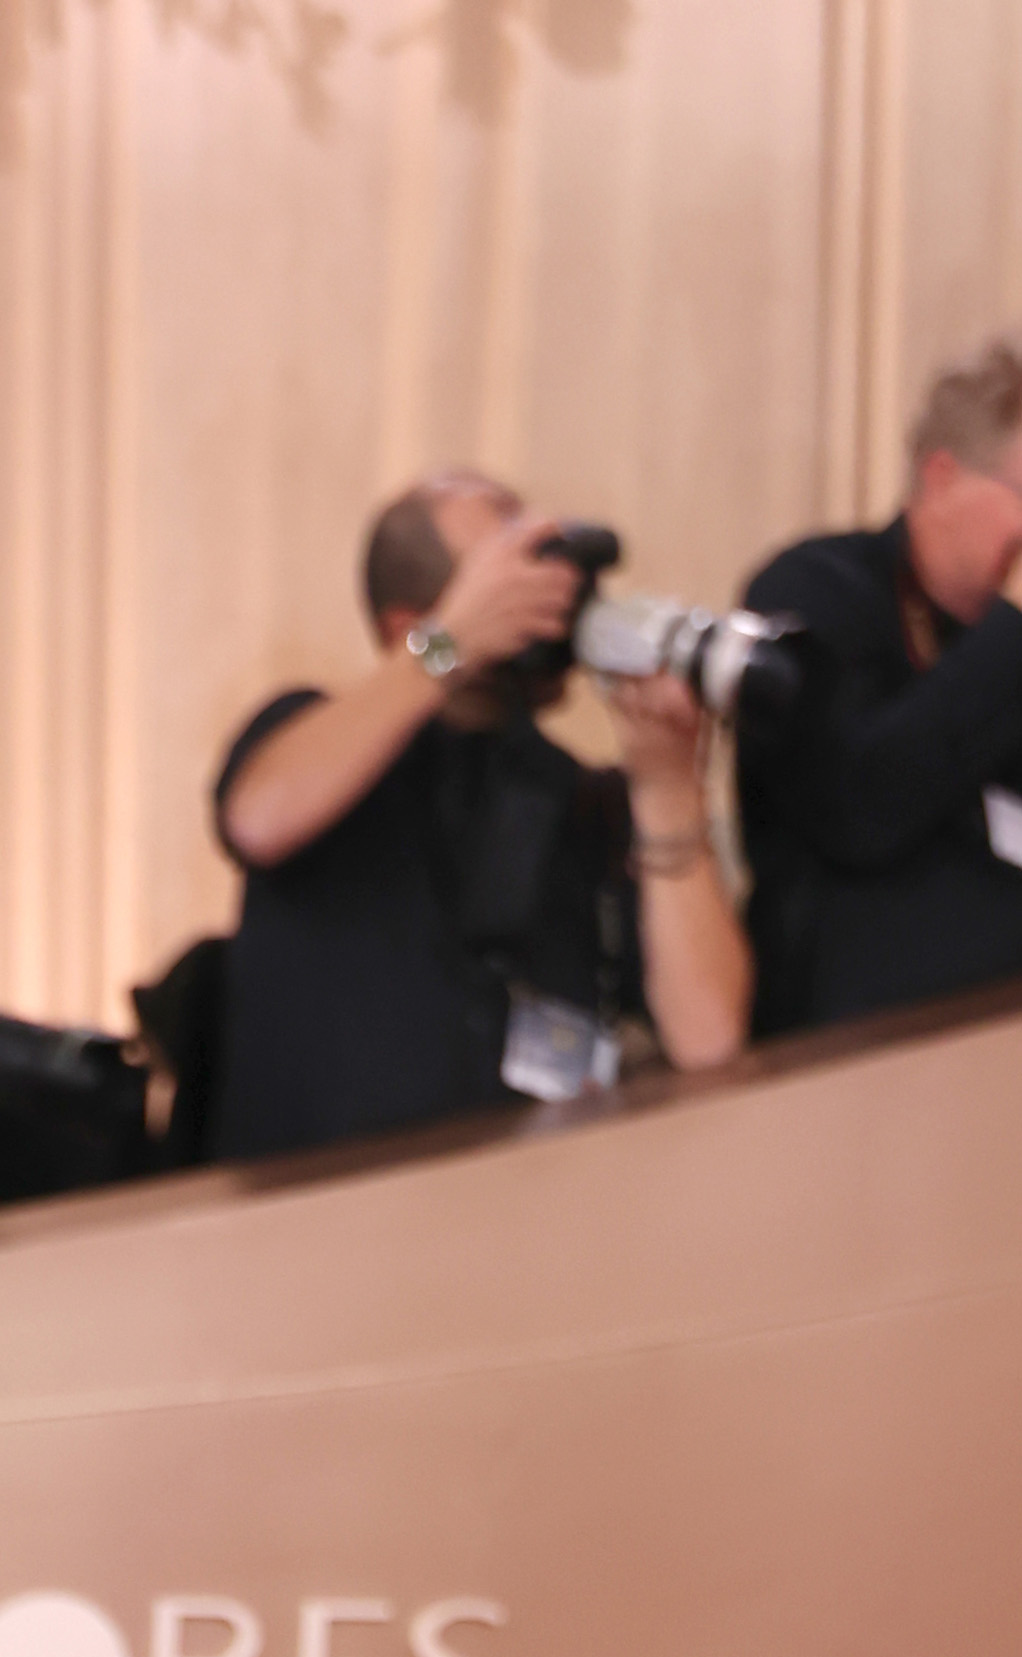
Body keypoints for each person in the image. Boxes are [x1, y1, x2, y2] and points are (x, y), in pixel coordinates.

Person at [211, 468, 753, 1164]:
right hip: (314, 1223)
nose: (539, 598)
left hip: (525, 1213)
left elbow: (708, 1040)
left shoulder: (583, 798)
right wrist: (450, 644)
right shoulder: (309, 739)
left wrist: (671, 785)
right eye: (501, 577)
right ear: (406, 626)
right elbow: (260, 819)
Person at [740, 333, 1022, 1038]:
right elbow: (859, 806)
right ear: (942, 475)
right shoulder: (811, 591)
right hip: (846, 1059)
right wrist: (1015, 621)